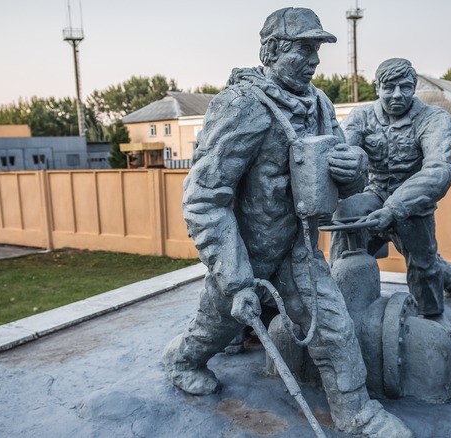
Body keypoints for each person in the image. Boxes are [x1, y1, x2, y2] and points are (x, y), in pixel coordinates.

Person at [162, 8, 412, 437]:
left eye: (317, 49)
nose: (315, 59)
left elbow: (343, 182)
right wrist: (237, 279)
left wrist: (352, 168)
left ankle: (357, 414)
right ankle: (183, 359)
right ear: (272, 50)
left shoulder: (319, 104)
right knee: (218, 323)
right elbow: (206, 197)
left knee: (333, 328)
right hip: (246, 251)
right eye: (304, 48)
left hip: (298, 248)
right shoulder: (242, 106)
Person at [330, 58, 451, 321]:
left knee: (425, 265)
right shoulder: (360, 117)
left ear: (414, 87)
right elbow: (343, 153)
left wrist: (394, 209)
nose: (397, 94)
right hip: (374, 197)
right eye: (389, 87)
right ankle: (338, 299)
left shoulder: (434, 119)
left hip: (412, 206)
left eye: (405, 87)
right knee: (346, 219)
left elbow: (439, 169)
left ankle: (431, 320)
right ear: (377, 88)